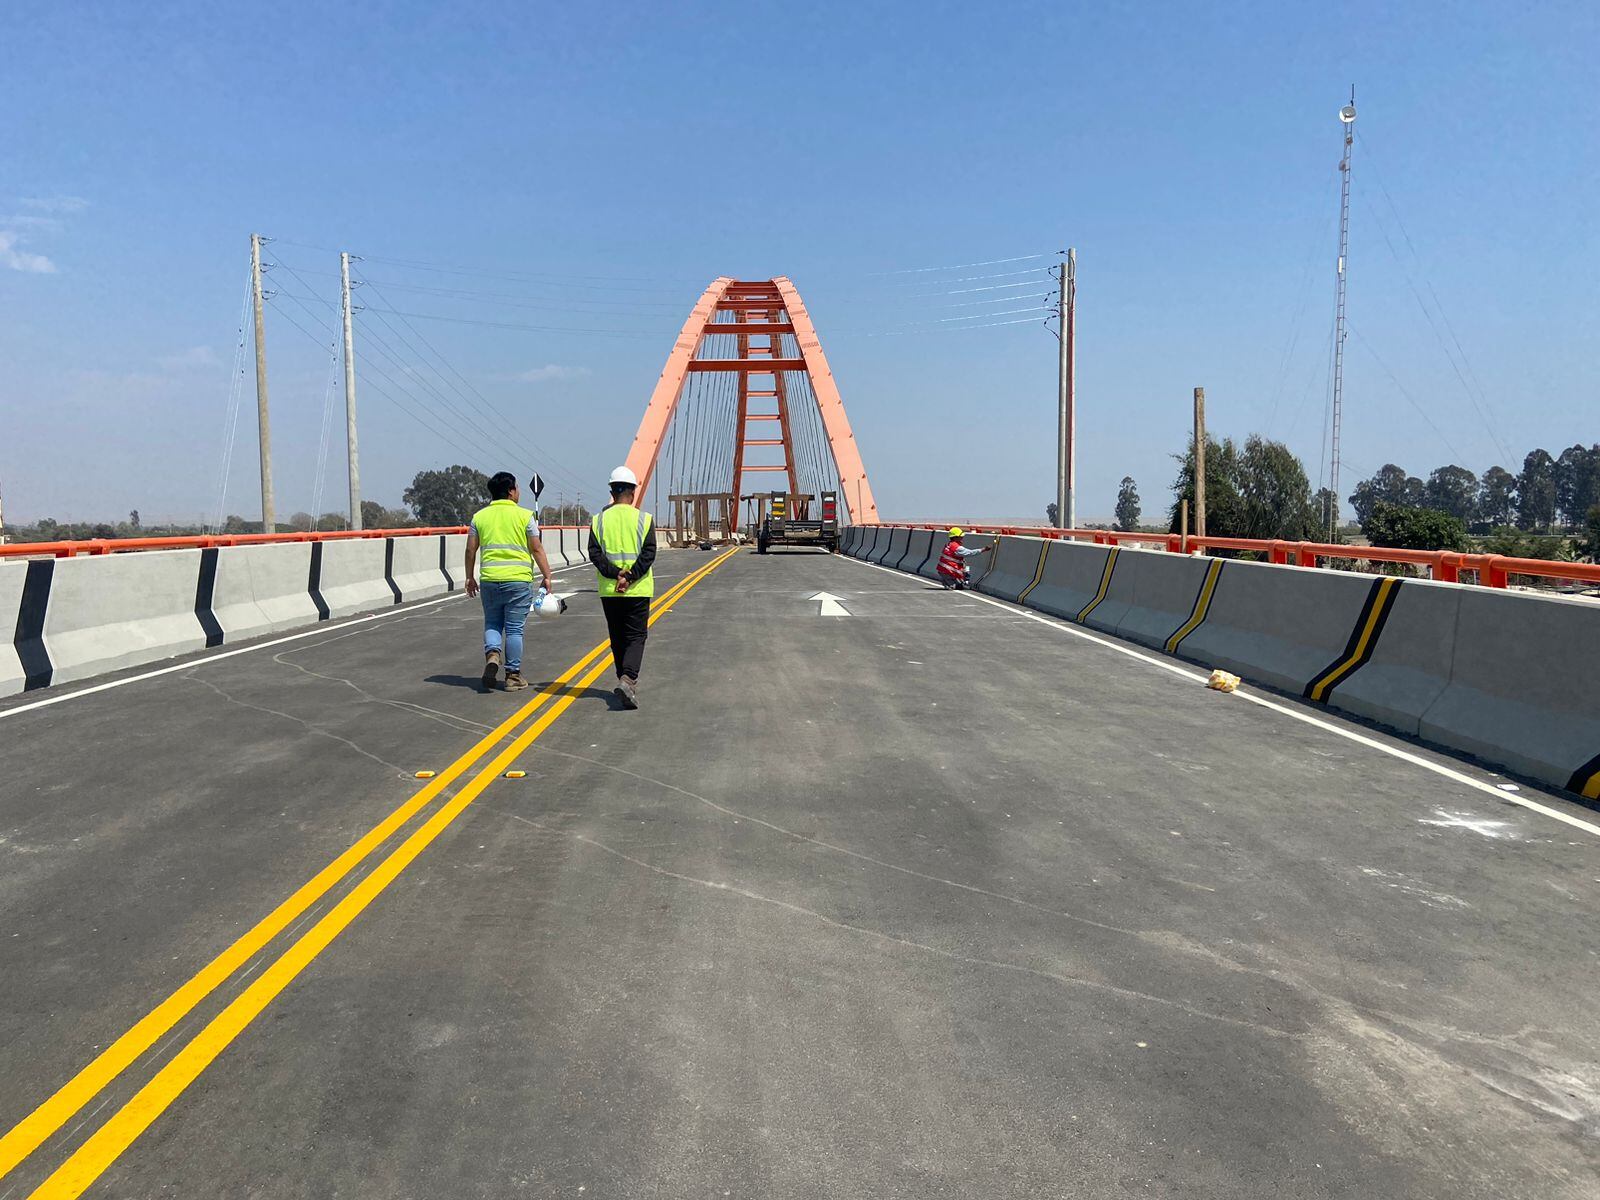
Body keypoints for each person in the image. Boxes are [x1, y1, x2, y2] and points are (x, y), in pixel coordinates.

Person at [464, 471, 554, 691]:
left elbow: (470, 549)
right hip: (518, 582)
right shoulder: (525, 516)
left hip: (489, 581)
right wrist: (547, 575)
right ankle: (513, 676)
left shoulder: (479, 517)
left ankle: (493, 654)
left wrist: (469, 577)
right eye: (517, 488)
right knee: (514, 629)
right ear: (511, 491)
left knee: (493, 622)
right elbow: (536, 548)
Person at [588, 465, 657, 710]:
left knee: (617, 636)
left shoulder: (598, 521)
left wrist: (616, 574)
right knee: (636, 635)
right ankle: (628, 679)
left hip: (610, 590)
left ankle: (623, 679)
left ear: (612, 491)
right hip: (637, 590)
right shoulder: (644, 519)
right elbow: (649, 553)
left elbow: (595, 554)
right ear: (633, 492)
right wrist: (631, 576)